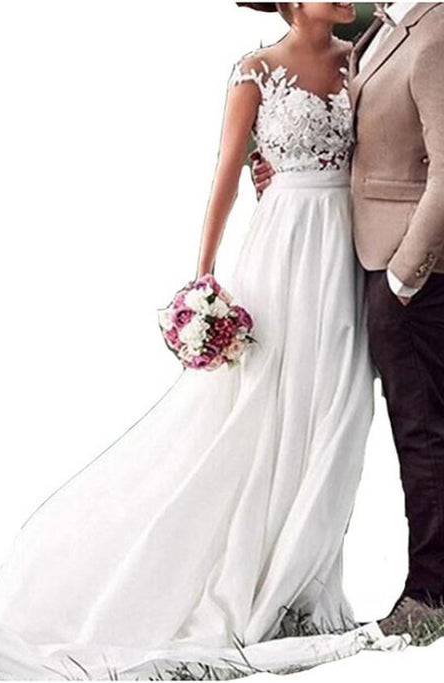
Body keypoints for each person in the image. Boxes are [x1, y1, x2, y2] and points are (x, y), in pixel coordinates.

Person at [0, 3, 410, 680]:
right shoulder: (254, 71)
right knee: (258, 409)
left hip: (346, 248)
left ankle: (302, 580)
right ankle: (242, 575)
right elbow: (227, 170)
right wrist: (204, 281)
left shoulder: (361, 58)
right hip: (281, 252)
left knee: (336, 407)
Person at [249, 1, 444, 641]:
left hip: (410, 273)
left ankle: (431, 595)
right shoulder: (381, 28)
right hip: (351, 257)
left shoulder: (436, 31)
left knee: (424, 433)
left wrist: (402, 276)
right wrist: (287, 168)